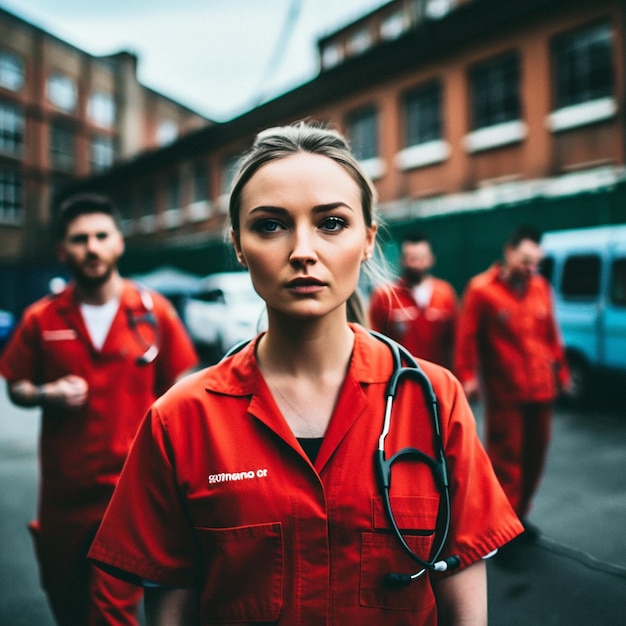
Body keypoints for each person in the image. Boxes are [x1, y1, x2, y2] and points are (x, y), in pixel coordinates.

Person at [88, 122, 522, 625]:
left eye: (332, 223)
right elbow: (172, 603)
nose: (302, 251)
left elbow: (461, 579)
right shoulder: (180, 420)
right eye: (270, 225)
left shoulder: (434, 399)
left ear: (367, 239)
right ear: (238, 245)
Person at [0, 194, 198, 626]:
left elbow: (182, 392)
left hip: (128, 496)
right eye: (79, 238)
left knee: (113, 614)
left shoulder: (154, 313)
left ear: (119, 243)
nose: (92, 247)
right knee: (67, 606)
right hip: (62, 499)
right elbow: (15, 386)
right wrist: (45, 393)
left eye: (101, 236)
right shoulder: (42, 319)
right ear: (62, 250)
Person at [454, 225, 570, 538]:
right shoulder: (481, 289)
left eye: (536, 262)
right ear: (509, 252)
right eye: (525, 260)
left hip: (541, 389)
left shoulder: (540, 287)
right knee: (506, 461)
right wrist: (466, 376)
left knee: (535, 456)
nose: (530, 268)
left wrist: (561, 372)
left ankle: (520, 516)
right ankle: (502, 530)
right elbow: (467, 338)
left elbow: (551, 335)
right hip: (505, 393)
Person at [369, 234, 458, 368]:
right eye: (411, 259)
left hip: (438, 376)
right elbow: (375, 342)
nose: (416, 264)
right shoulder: (386, 296)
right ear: (402, 260)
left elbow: (457, 341)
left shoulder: (445, 294)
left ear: (431, 259)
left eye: (421, 258)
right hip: (400, 377)